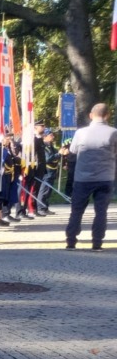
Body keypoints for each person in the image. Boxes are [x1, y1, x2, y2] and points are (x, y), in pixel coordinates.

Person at [63, 103, 117, 250]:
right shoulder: (114, 132)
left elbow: (73, 151)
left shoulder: (80, 133)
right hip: (105, 177)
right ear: (107, 115)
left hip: (82, 177)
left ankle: (71, 241)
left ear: (91, 115)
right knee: (101, 212)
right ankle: (97, 243)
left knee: (77, 210)